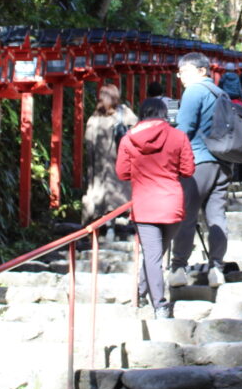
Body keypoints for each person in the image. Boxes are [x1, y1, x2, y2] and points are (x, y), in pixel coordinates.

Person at [115, 97, 194, 319]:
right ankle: (143, 293)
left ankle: (158, 305)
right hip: (171, 203)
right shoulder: (178, 136)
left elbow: (122, 173)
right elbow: (188, 170)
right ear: (164, 114)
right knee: (156, 254)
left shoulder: (128, 139)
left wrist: (140, 174)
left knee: (152, 255)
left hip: (144, 203)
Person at [169, 52, 232, 288]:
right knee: (216, 216)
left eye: (184, 71)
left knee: (187, 215)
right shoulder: (221, 93)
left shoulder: (194, 91)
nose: (180, 76)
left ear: (202, 71)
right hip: (222, 162)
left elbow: (184, 128)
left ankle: (178, 268)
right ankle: (217, 267)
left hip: (198, 161)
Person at [82, 83, 137, 224]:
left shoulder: (94, 119)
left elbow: (88, 145)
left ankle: (105, 223)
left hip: (100, 166)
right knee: (122, 193)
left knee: (103, 195)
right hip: (121, 162)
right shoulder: (124, 113)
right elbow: (137, 132)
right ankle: (121, 221)